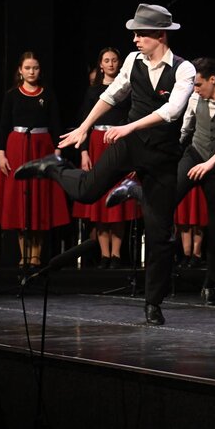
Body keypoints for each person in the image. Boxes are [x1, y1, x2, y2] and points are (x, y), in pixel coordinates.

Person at [14, 3, 195, 326]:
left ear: (160, 35)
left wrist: (129, 127)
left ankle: (153, 303)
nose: (135, 39)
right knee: (86, 192)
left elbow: (172, 111)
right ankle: (52, 167)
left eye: (141, 34)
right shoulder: (133, 61)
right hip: (130, 145)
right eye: (134, 34)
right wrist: (84, 127)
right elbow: (112, 94)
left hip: (162, 156)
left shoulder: (183, 69)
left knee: (160, 236)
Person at [108, 57, 215, 306]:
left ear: (213, 79)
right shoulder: (194, 98)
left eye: (199, 84)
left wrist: (210, 164)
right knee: (165, 201)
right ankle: (137, 191)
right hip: (194, 156)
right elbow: (184, 130)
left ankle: (210, 285)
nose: (195, 89)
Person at [0, 51, 71, 268]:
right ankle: (23, 254)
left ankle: (36, 255)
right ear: (20, 70)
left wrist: (57, 151)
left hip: (42, 147)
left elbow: (56, 124)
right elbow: (3, 125)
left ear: (39, 70)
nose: (31, 72)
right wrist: (1, 154)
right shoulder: (12, 95)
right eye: (27, 68)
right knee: (20, 201)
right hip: (17, 148)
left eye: (35, 68)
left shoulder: (48, 95)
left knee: (39, 199)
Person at [71, 47, 141, 269]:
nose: (111, 64)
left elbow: (134, 120)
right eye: (106, 60)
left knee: (118, 203)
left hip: (120, 142)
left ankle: (116, 255)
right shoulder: (93, 91)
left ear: (119, 64)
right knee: (100, 203)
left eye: (114, 60)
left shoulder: (127, 90)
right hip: (97, 144)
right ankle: (104, 255)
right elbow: (84, 123)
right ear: (100, 65)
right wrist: (84, 152)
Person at [176, 185, 207, 268]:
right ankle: (186, 254)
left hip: (198, 182)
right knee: (183, 214)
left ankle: (196, 254)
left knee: (198, 214)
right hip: (183, 180)